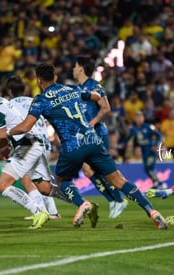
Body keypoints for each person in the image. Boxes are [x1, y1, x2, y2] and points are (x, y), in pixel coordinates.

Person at [7, 63, 168, 230]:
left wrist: (9, 132)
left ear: (38, 80)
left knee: (62, 181)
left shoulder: (41, 100)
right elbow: (96, 96)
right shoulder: (71, 89)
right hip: (93, 140)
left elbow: (25, 126)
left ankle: (82, 203)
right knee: (119, 180)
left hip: (72, 145)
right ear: (55, 77)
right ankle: (152, 212)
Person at [0, 76, 68, 230]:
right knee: (45, 188)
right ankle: (77, 200)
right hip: (34, 143)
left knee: (2, 185)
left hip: (26, 146)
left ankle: (38, 211)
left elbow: (1, 140)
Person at [73, 55, 127, 219]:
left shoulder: (95, 86)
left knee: (103, 169)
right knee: (88, 170)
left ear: (81, 68)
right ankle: (112, 200)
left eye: (75, 66)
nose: (73, 69)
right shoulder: (77, 89)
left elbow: (106, 108)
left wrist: (92, 122)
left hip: (97, 133)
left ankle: (118, 199)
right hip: (84, 136)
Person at [4, 75, 61, 220]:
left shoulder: (8, 105)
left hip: (28, 144)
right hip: (44, 143)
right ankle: (53, 211)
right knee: (42, 181)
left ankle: (41, 211)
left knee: (26, 178)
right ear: (24, 89)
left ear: (9, 91)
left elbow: (10, 129)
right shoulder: (34, 101)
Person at [124, 110, 167, 189]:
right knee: (147, 169)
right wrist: (123, 145)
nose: (139, 119)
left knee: (148, 167)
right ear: (135, 119)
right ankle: (156, 183)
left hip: (151, 150)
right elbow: (128, 139)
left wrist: (156, 145)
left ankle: (160, 183)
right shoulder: (133, 129)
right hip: (143, 152)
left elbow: (159, 136)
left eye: (140, 117)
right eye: (137, 117)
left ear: (143, 118)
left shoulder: (149, 126)